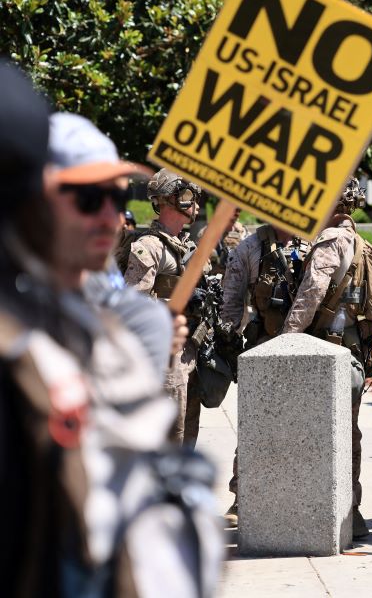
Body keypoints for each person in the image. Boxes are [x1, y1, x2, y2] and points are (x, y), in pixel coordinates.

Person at [0, 66, 221, 596]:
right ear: (29, 199)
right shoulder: (21, 341)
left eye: (118, 198)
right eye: (86, 198)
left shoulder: (98, 327)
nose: (111, 216)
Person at [281, 177, 372, 540]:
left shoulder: (329, 240)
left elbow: (311, 293)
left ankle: (321, 513)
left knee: (320, 434)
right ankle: (351, 511)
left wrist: (287, 341)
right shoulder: (360, 241)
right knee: (348, 433)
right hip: (353, 350)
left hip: (326, 351)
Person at [218, 219, 308, 526]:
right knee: (255, 427)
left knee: (307, 431)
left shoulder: (316, 242)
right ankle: (243, 498)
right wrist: (229, 343)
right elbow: (230, 301)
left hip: (309, 351)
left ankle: (302, 499)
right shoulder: (249, 248)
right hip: (262, 349)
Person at [123, 168, 206, 445]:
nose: (195, 205)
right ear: (173, 200)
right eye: (189, 197)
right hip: (166, 359)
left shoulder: (186, 245)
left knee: (188, 435)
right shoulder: (149, 247)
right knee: (171, 436)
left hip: (191, 350)